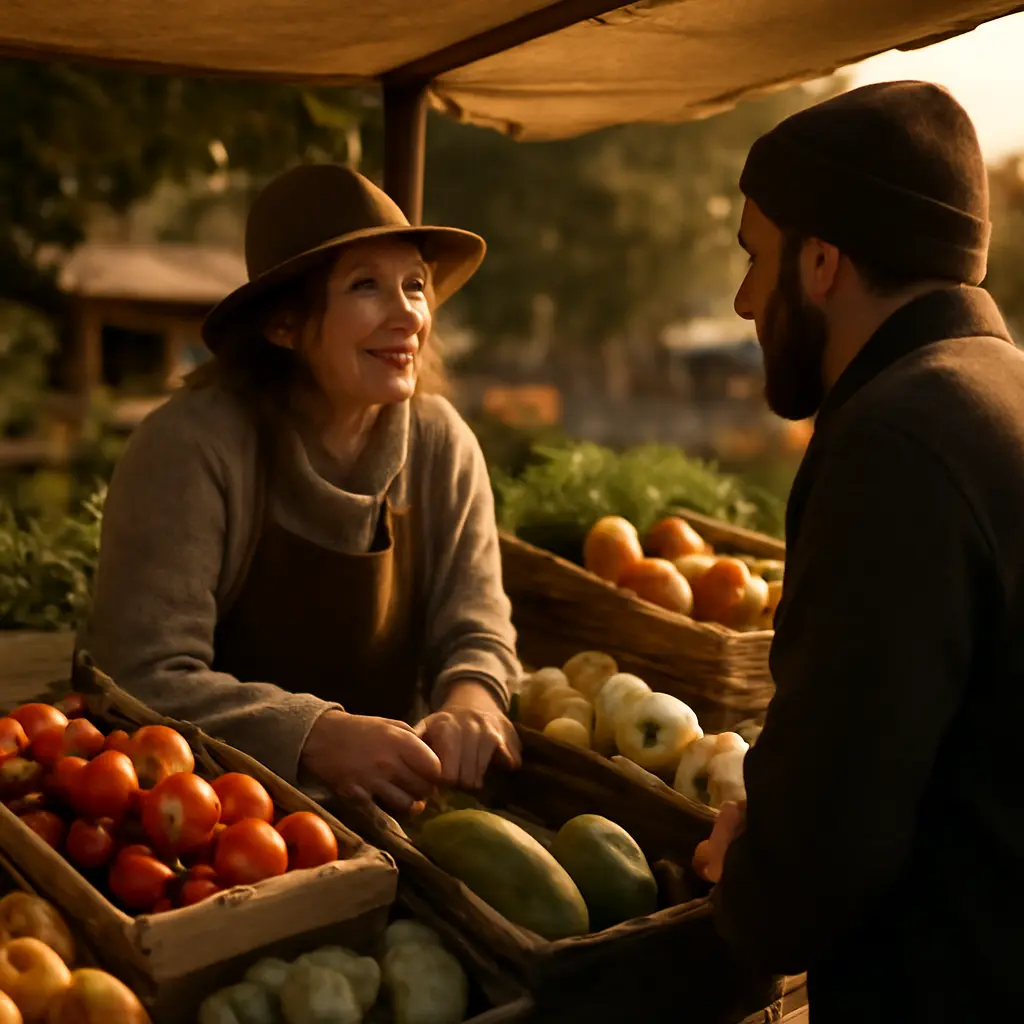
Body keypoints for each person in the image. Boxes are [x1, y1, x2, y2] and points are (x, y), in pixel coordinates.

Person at [692, 82, 1024, 1020]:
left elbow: (832, 831)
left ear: (823, 262)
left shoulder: (900, 440)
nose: (746, 297)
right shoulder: (1003, 393)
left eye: (758, 258)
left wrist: (750, 871)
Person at [83, 164, 522, 814]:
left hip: (391, 808)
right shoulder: (191, 446)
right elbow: (136, 674)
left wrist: (472, 701)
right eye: (366, 286)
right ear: (284, 326)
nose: (407, 313)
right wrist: (313, 736)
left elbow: (478, 626)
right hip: (210, 820)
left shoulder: (441, 443)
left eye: (416, 285)